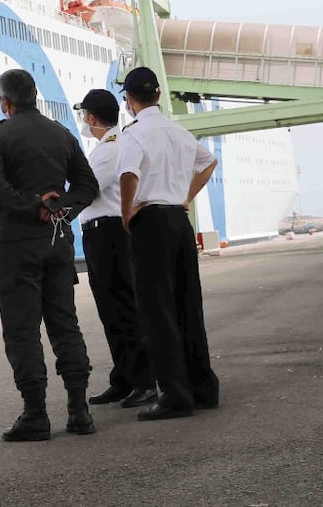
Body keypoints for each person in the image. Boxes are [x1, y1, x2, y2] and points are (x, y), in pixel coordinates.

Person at [0, 69, 99, 442]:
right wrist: (60, 208)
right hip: (58, 242)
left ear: (7, 102)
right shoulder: (61, 134)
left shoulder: (0, 136)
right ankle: (79, 411)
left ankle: (35, 414)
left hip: (17, 244)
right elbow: (87, 186)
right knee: (65, 324)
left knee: (22, 330)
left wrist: (32, 207)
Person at [116, 66, 220, 421]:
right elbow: (209, 163)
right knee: (189, 304)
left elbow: (129, 174)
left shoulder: (134, 134)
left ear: (129, 100)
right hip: (179, 220)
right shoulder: (179, 132)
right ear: (158, 95)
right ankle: (203, 387)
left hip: (152, 223)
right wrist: (185, 196)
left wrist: (127, 212)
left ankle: (175, 395)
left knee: (157, 310)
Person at [73, 89, 155, 409]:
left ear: (91, 118)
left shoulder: (109, 148)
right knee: (112, 312)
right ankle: (124, 378)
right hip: (100, 235)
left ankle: (143, 381)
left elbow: (87, 190)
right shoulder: (107, 147)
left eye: (84, 116)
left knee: (122, 309)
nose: (83, 121)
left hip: (108, 236)